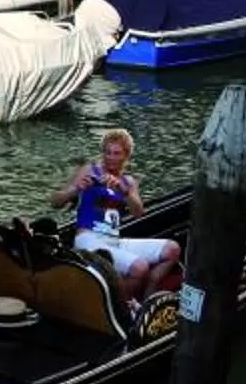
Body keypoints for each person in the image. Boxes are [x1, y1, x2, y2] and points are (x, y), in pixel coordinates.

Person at [68, 128, 183, 303]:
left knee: (172, 249)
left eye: (116, 153)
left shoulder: (128, 182)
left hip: (114, 240)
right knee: (140, 267)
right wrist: (76, 189)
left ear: (125, 156)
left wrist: (125, 193)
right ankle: (118, 306)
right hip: (88, 238)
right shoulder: (90, 170)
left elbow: (138, 213)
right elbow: (55, 200)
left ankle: (148, 295)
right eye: (107, 152)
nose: (110, 157)